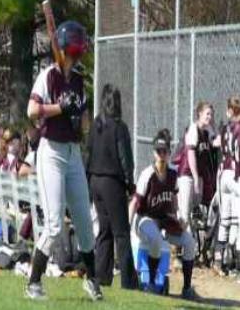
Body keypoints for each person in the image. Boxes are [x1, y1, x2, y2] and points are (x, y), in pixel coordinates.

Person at [25, 20, 102, 301]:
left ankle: (92, 281)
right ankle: (33, 282)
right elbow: (32, 111)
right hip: (51, 152)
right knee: (55, 224)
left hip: (72, 152)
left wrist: (79, 110)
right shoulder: (48, 76)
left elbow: (82, 127)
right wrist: (60, 107)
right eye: (77, 43)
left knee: (84, 220)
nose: (80, 48)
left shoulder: (78, 80)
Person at [129, 129, 196, 299]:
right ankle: (152, 283)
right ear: (154, 152)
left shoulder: (173, 172)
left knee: (189, 242)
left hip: (164, 220)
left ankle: (187, 288)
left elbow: (173, 199)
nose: (161, 154)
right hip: (145, 219)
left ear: (168, 153)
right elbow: (135, 202)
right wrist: (127, 228)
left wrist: (179, 217)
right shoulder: (147, 174)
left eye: (164, 151)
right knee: (157, 241)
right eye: (158, 151)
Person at [86, 83, 137, 289]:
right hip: (112, 182)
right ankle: (128, 281)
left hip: (95, 180)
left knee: (104, 231)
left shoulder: (96, 124)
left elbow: (88, 152)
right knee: (122, 233)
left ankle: (102, 276)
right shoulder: (119, 126)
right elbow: (125, 158)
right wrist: (129, 182)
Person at [177, 101, 218, 231]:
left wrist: (223, 132)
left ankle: (191, 244)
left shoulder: (207, 131)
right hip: (187, 175)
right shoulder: (193, 129)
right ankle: (179, 244)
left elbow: (216, 142)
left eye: (211, 114)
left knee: (196, 213)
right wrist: (195, 177)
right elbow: (191, 155)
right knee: (185, 211)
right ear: (199, 114)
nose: (210, 117)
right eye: (207, 114)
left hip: (197, 176)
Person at [217, 96, 240, 277]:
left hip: (223, 173)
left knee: (226, 218)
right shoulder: (238, 129)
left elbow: (216, 142)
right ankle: (235, 264)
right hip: (234, 174)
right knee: (237, 221)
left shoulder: (225, 127)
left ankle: (221, 259)